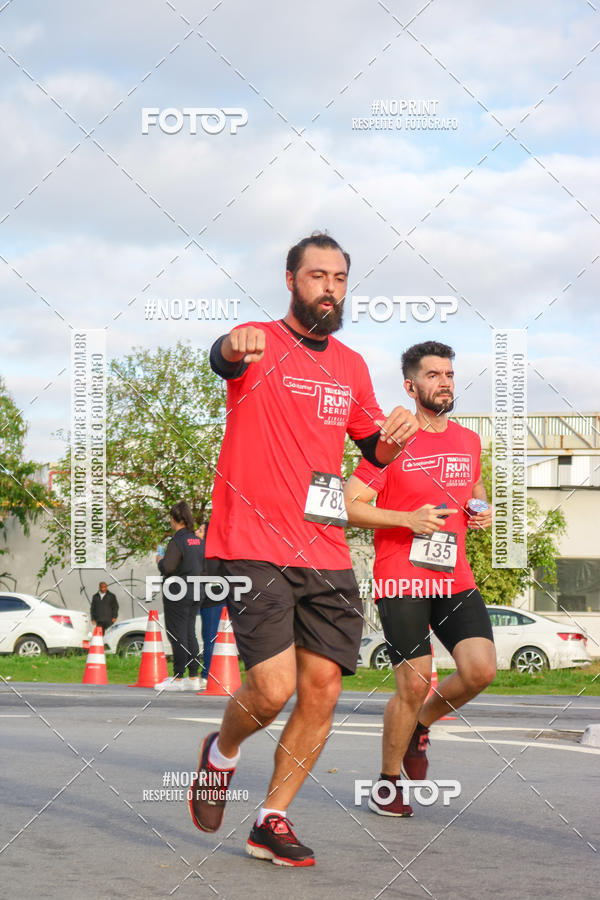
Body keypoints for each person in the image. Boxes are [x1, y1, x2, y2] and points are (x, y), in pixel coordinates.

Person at [187, 231, 418, 867]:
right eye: (318, 276)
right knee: (269, 689)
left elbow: (372, 445)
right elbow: (223, 357)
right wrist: (230, 346)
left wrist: (394, 441)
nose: (330, 288)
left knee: (322, 689)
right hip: (252, 542)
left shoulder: (349, 366)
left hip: (325, 548)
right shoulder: (255, 339)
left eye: (340, 279)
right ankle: (221, 753)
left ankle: (272, 818)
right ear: (292, 279)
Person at [343, 340, 496, 817]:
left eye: (449, 374)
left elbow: (473, 486)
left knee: (480, 670)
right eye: (433, 375)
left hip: (455, 577)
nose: (444, 382)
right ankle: (388, 785)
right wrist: (407, 520)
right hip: (402, 579)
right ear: (411, 386)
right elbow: (348, 506)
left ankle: (421, 726)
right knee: (413, 683)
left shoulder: (468, 440)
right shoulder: (390, 443)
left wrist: (481, 507)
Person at [154, 500, 204, 692]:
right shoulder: (198, 541)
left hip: (177, 592)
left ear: (174, 519)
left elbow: (168, 567)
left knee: (177, 634)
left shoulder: (178, 541)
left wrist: (159, 561)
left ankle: (177, 678)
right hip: (196, 591)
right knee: (190, 633)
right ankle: (193, 676)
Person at [194, 521, 224, 689]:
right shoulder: (218, 551)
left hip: (212, 601)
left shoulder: (206, 552)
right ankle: (211, 673)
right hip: (217, 599)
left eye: (200, 530)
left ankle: (207, 675)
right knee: (212, 638)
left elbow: (207, 576)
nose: (196, 532)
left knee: (210, 638)